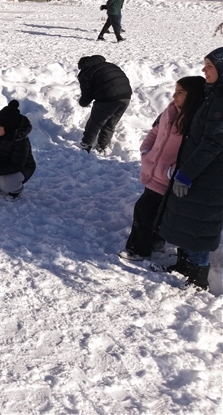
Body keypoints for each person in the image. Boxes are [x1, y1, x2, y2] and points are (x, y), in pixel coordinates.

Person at [157, 48, 223, 291]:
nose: (203, 70)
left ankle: (198, 278)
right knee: (186, 221)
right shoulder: (214, 94)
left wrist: (187, 174)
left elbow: (213, 143)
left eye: (209, 66)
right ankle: (184, 265)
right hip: (198, 172)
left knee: (197, 228)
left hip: (209, 177)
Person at [120, 76, 206, 261]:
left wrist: (174, 170)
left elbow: (195, 152)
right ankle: (155, 243)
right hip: (154, 171)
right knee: (156, 212)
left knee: (144, 210)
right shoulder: (171, 110)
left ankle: (138, 250)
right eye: (175, 91)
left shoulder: (196, 121)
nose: (174, 96)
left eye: (180, 92)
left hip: (169, 177)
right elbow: (155, 131)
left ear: (193, 95)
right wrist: (146, 150)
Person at [76, 55, 133, 153]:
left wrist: (83, 103)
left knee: (95, 123)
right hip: (126, 96)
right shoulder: (109, 65)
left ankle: (86, 144)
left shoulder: (87, 72)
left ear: (83, 66)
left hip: (108, 97)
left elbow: (87, 93)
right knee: (110, 123)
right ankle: (101, 146)